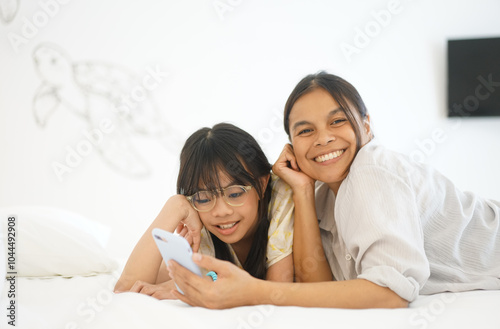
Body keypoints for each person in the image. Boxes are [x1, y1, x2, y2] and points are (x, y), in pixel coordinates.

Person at [167, 71, 500, 309]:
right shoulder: (322, 195)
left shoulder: (373, 170)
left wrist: (255, 292)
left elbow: (391, 293)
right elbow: (320, 287)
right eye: (306, 130)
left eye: (337, 121)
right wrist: (300, 190)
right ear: (291, 146)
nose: (323, 138)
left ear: (366, 125)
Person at [114, 123, 294, 298]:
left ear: (262, 185)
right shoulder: (199, 217)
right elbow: (127, 290)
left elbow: (277, 291)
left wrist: (203, 284)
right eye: (205, 197)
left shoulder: (281, 196)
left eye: (235, 194)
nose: (221, 211)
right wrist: (175, 205)